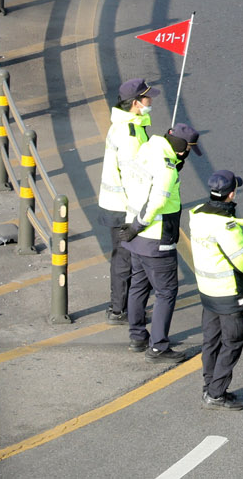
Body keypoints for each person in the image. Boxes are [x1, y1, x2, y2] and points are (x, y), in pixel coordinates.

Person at [121, 121, 204, 363]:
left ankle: (137, 336)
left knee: (138, 285)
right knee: (166, 292)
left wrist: (132, 228)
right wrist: (138, 225)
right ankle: (158, 347)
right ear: (180, 148)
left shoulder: (149, 148)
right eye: (187, 149)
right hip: (156, 238)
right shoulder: (167, 170)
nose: (187, 153)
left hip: (136, 239)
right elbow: (156, 202)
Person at [186, 169, 243, 409]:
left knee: (211, 340)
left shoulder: (197, 214)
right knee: (232, 342)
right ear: (231, 194)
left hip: (207, 290)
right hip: (228, 292)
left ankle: (209, 385)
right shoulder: (227, 226)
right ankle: (216, 393)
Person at [100, 78, 153, 325]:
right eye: (146, 98)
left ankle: (122, 308)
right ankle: (119, 310)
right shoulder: (130, 133)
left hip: (117, 203)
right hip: (123, 207)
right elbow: (135, 175)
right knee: (125, 260)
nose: (150, 101)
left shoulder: (126, 124)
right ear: (135, 103)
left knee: (124, 258)